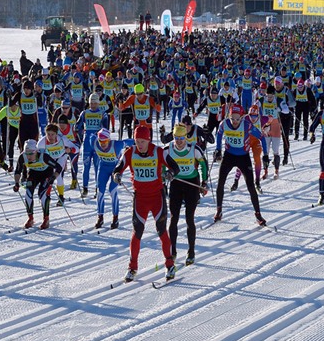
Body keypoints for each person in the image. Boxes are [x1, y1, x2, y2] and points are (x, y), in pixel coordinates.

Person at [112, 126, 180, 282]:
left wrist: (170, 173)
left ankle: (169, 265)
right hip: (140, 199)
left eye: (142, 141)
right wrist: (117, 174)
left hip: (157, 197)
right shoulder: (130, 153)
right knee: (137, 232)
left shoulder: (158, 152)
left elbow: (175, 167)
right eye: (137, 141)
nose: (140, 144)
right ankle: (132, 268)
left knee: (161, 231)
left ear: (148, 140)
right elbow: (118, 167)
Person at [213, 104, 269, 225]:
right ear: (229, 116)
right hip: (229, 156)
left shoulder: (247, 125)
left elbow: (262, 137)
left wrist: (265, 155)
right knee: (220, 182)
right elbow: (219, 134)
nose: (234, 121)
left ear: (242, 117)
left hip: (243, 157)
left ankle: (258, 215)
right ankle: (219, 210)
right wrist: (218, 149)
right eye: (232, 118)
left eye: (237, 119)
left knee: (250, 186)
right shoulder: (224, 123)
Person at [166, 124, 209, 265]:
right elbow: (160, 165)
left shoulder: (193, 149)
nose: (179, 141)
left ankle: (191, 251)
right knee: (174, 218)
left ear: (186, 137)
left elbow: (203, 164)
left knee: (189, 218)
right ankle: (172, 252)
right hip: (176, 183)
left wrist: (204, 182)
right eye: (176, 138)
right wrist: (163, 177)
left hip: (191, 183)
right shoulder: (168, 150)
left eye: (181, 138)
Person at [13, 139, 62, 229]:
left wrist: (53, 177)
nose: (29, 156)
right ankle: (30, 218)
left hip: (46, 173)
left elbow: (58, 167)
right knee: (28, 194)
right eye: (27, 153)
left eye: (31, 153)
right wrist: (16, 183)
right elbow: (17, 171)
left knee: (42, 195)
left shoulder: (44, 157)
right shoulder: (22, 157)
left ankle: (46, 219)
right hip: (33, 174)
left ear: (36, 151)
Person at [75, 93, 110, 197]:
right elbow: (78, 125)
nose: (93, 105)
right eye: (91, 103)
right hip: (87, 143)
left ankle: (97, 188)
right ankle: (85, 188)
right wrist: (78, 130)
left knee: (97, 167)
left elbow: (105, 129)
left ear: (98, 103)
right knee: (86, 167)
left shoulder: (103, 114)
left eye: (95, 103)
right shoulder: (84, 113)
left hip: (97, 144)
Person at [92, 129, 127, 230]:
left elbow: (130, 141)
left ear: (109, 140)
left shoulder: (116, 145)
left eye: (105, 141)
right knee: (100, 192)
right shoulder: (95, 143)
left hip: (115, 169)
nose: (102, 144)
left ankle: (115, 217)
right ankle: (100, 217)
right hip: (103, 168)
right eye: (100, 141)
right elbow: (90, 136)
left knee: (112, 190)